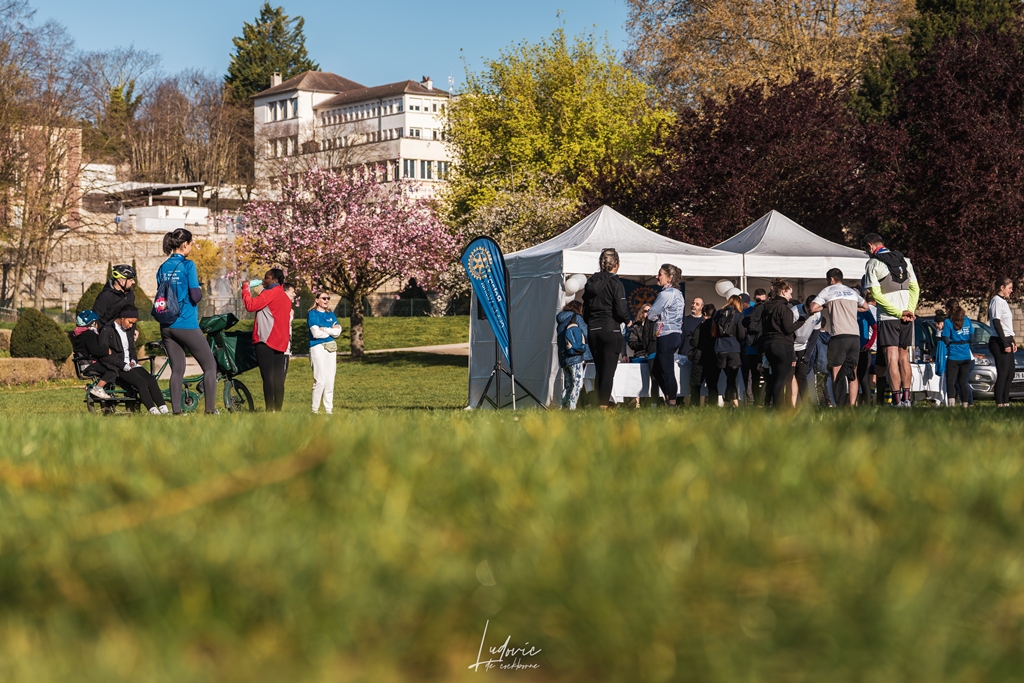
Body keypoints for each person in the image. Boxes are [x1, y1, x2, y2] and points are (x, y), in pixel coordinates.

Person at [156, 228, 219, 415]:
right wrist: (198, 287)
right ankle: (210, 411)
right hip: (185, 323)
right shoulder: (188, 266)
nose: (192, 247)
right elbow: (195, 296)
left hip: (166, 324)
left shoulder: (163, 267)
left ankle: (176, 412)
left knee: (177, 369)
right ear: (185, 244)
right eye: (191, 244)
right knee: (210, 366)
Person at [864, 233, 920, 408]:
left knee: (891, 359)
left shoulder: (873, 263)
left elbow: (876, 295)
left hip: (889, 317)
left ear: (870, 246)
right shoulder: (906, 260)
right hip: (907, 317)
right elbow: (915, 288)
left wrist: (898, 312)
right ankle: (907, 399)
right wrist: (909, 311)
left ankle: (896, 401)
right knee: (905, 358)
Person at [809, 268, 868, 406]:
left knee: (836, 370)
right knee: (852, 373)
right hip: (855, 336)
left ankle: (839, 405)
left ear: (831, 279)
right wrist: (852, 309)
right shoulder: (852, 292)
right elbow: (865, 307)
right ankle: (852, 405)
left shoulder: (828, 290)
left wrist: (826, 306)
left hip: (839, 336)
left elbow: (812, 307)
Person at [582, 248, 630, 408]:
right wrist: (628, 321)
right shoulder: (616, 283)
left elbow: (585, 310)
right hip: (611, 330)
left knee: (599, 370)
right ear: (617, 264)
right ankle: (603, 407)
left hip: (593, 331)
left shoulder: (590, 283)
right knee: (608, 372)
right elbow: (621, 310)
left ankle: (598, 404)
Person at [98, 306, 168, 415]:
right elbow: (104, 355)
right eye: (130, 322)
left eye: (133, 323)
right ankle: (154, 412)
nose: (131, 326)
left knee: (152, 381)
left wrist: (134, 360)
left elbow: (131, 349)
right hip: (117, 366)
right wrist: (122, 365)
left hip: (130, 364)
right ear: (122, 317)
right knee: (142, 383)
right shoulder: (107, 330)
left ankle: (164, 410)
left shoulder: (129, 330)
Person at [243, 268, 293, 412]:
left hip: (266, 340)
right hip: (281, 341)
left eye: (267, 278)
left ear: (275, 280)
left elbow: (250, 306)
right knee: (278, 378)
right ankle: (278, 410)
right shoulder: (285, 297)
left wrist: (245, 289)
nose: (264, 280)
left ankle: (269, 410)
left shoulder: (269, 293)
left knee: (267, 377)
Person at [646, 264, 685, 406]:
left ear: (669, 278)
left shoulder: (666, 294)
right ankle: (669, 397)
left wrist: (652, 313)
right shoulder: (678, 293)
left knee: (667, 370)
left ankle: (672, 403)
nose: (657, 277)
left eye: (660, 274)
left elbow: (651, 314)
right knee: (657, 370)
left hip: (666, 334)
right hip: (674, 334)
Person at [761, 281, 803, 408]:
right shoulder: (784, 309)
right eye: (790, 293)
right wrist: (802, 320)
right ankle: (780, 408)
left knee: (775, 376)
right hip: (783, 345)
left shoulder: (766, 308)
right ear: (783, 291)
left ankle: (774, 405)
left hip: (769, 344)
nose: (791, 297)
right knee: (782, 377)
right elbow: (788, 328)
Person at [308, 290, 342, 414]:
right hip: (317, 347)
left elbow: (338, 331)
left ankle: (329, 410)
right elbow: (315, 333)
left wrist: (325, 329)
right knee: (320, 380)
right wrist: (330, 330)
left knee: (330, 380)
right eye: (324, 298)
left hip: (331, 347)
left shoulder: (330, 314)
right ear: (317, 300)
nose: (327, 300)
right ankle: (314, 410)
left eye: (328, 298)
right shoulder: (312, 314)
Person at [71, 310, 117, 399]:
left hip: (84, 364)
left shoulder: (79, 335)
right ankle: (98, 388)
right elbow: (96, 351)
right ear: (92, 323)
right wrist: (107, 351)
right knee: (112, 370)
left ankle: (94, 387)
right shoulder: (89, 334)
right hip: (90, 364)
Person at [556, 300, 591, 410]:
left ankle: (563, 406)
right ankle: (572, 407)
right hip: (575, 356)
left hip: (563, 357)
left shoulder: (561, 321)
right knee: (578, 383)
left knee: (568, 385)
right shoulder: (577, 318)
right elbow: (586, 334)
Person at [713, 294, 746, 407]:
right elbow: (741, 335)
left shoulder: (717, 313)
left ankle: (733, 402)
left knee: (724, 377)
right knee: (732, 378)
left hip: (719, 348)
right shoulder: (738, 315)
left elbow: (713, 332)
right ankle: (728, 402)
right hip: (733, 348)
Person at [988, 277, 1015, 407]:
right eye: (1009, 288)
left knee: (1010, 373)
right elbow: (997, 322)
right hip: (998, 340)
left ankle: (1006, 402)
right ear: (1002, 288)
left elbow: (1007, 325)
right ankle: (1000, 403)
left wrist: (1012, 341)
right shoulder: (996, 301)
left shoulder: (1004, 302)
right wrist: (1005, 343)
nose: (1011, 290)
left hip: (1007, 338)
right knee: (1003, 372)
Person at [942, 297, 974, 407]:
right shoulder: (967, 320)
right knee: (963, 382)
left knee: (951, 381)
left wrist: (952, 341)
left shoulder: (947, 322)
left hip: (953, 356)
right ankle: (965, 404)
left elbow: (946, 338)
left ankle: (951, 404)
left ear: (948, 309)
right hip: (966, 355)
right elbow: (971, 337)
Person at [792, 295, 821, 406]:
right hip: (791, 346)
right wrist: (792, 354)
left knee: (802, 376)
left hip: (803, 347)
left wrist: (808, 353)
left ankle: (805, 405)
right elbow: (788, 333)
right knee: (791, 377)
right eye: (810, 311)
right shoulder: (794, 312)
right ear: (806, 306)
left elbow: (815, 335)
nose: (812, 313)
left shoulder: (818, 313)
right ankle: (791, 405)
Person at [688, 303, 718, 405]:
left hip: (699, 357)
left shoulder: (700, 326)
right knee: (712, 385)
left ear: (704, 313)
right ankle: (713, 407)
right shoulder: (717, 326)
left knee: (696, 384)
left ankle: (695, 406)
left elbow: (694, 342)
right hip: (713, 357)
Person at [742, 289, 768, 405]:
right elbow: (744, 327)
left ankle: (764, 400)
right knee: (754, 376)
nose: (760, 303)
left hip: (764, 347)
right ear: (754, 299)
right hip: (751, 348)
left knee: (767, 375)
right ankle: (756, 401)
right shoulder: (748, 311)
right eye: (758, 300)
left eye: (763, 300)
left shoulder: (768, 309)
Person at [857, 290, 877, 405]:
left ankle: (869, 404)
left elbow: (875, 328)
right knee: (855, 378)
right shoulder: (850, 311)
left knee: (866, 378)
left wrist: (869, 344)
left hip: (865, 349)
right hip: (853, 348)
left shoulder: (866, 311)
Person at [282, 283, 297, 376]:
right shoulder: (281, 307)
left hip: (286, 348)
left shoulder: (289, 309)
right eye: (293, 292)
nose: (295, 294)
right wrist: (290, 316)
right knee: (279, 378)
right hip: (281, 348)